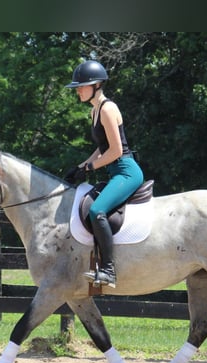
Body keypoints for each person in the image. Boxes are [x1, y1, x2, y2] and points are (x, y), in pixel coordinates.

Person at [64, 59, 144, 289]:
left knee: (97, 210)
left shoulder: (108, 108)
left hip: (127, 172)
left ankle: (108, 270)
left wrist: (91, 168)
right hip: (114, 171)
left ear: (97, 85)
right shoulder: (94, 111)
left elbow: (116, 150)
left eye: (81, 86)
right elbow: (101, 147)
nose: (78, 90)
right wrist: (81, 166)